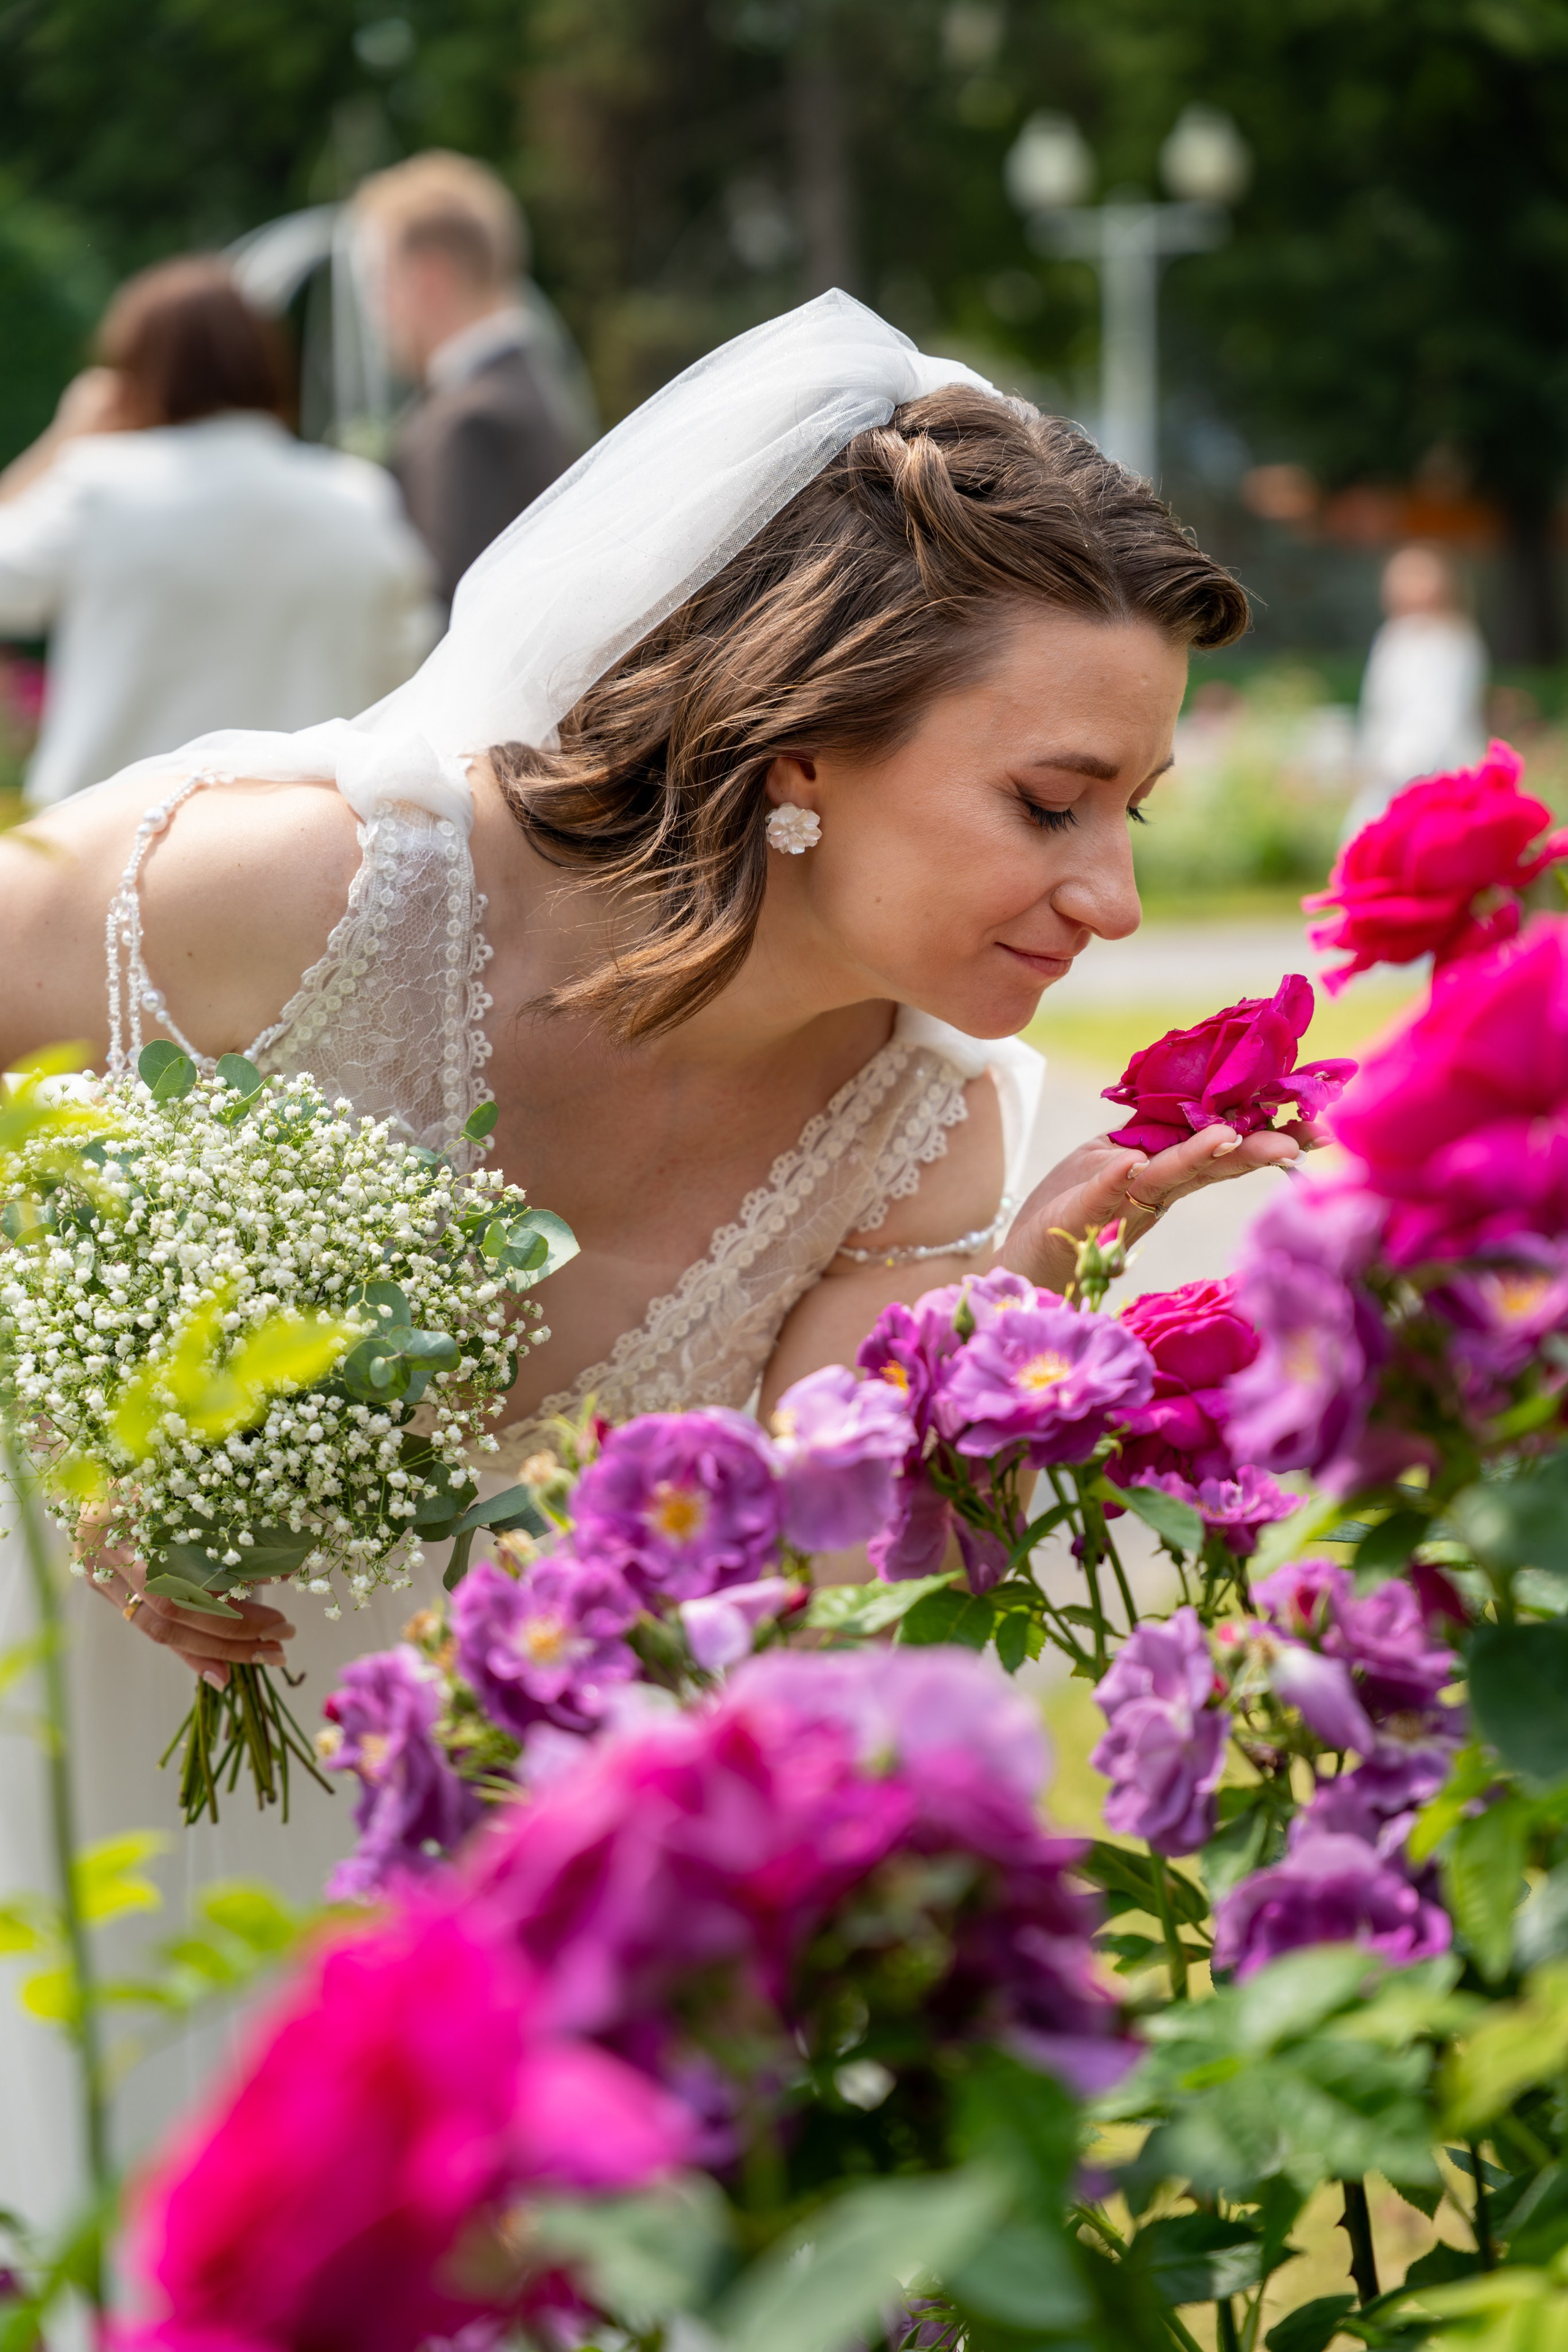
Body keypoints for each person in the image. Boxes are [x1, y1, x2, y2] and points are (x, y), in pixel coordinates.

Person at [0, 293, 1303, 2217]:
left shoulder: (926, 1120)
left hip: (478, 1890)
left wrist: (1013, 1303)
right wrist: (84, 1422)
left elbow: (787, 1559)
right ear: (803, 743)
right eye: (1049, 801)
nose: (1111, 897)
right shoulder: (305, 888)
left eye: (1133, 809)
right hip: (100, 1766)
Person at [0, 257, 437, 809]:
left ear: (133, 376)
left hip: (112, 837)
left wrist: (62, 440)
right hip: (305, 839)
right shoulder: (359, 496)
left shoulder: (98, 488)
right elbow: (407, 665)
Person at [355, 152, 582, 610]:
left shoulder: (471, 424)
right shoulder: (533, 388)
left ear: (430, 279)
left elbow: (443, 618)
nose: (377, 313)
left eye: (381, 282)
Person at [1346, 540, 1488, 834]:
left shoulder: (1452, 640)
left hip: (1438, 770)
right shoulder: (1394, 635)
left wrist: (1400, 764)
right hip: (1386, 769)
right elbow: (1378, 708)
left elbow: (1440, 715)